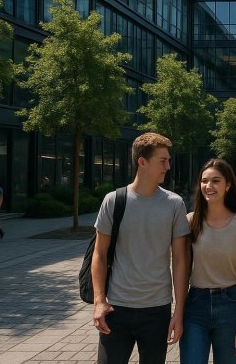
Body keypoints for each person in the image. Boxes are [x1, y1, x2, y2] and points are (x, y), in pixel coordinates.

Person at [91, 132, 190, 364]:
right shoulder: (113, 200)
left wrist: (179, 311)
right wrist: (99, 301)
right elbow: (99, 254)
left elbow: (179, 260)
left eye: (168, 160)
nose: (168, 166)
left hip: (157, 309)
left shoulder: (174, 204)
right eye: (162, 161)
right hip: (116, 309)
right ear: (142, 162)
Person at [181, 159, 236, 363]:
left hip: (230, 306)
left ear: (228, 185)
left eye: (215, 180)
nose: (209, 186)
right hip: (195, 305)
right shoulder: (190, 221)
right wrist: (177, 315)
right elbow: (182, 270)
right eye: (204, 181)